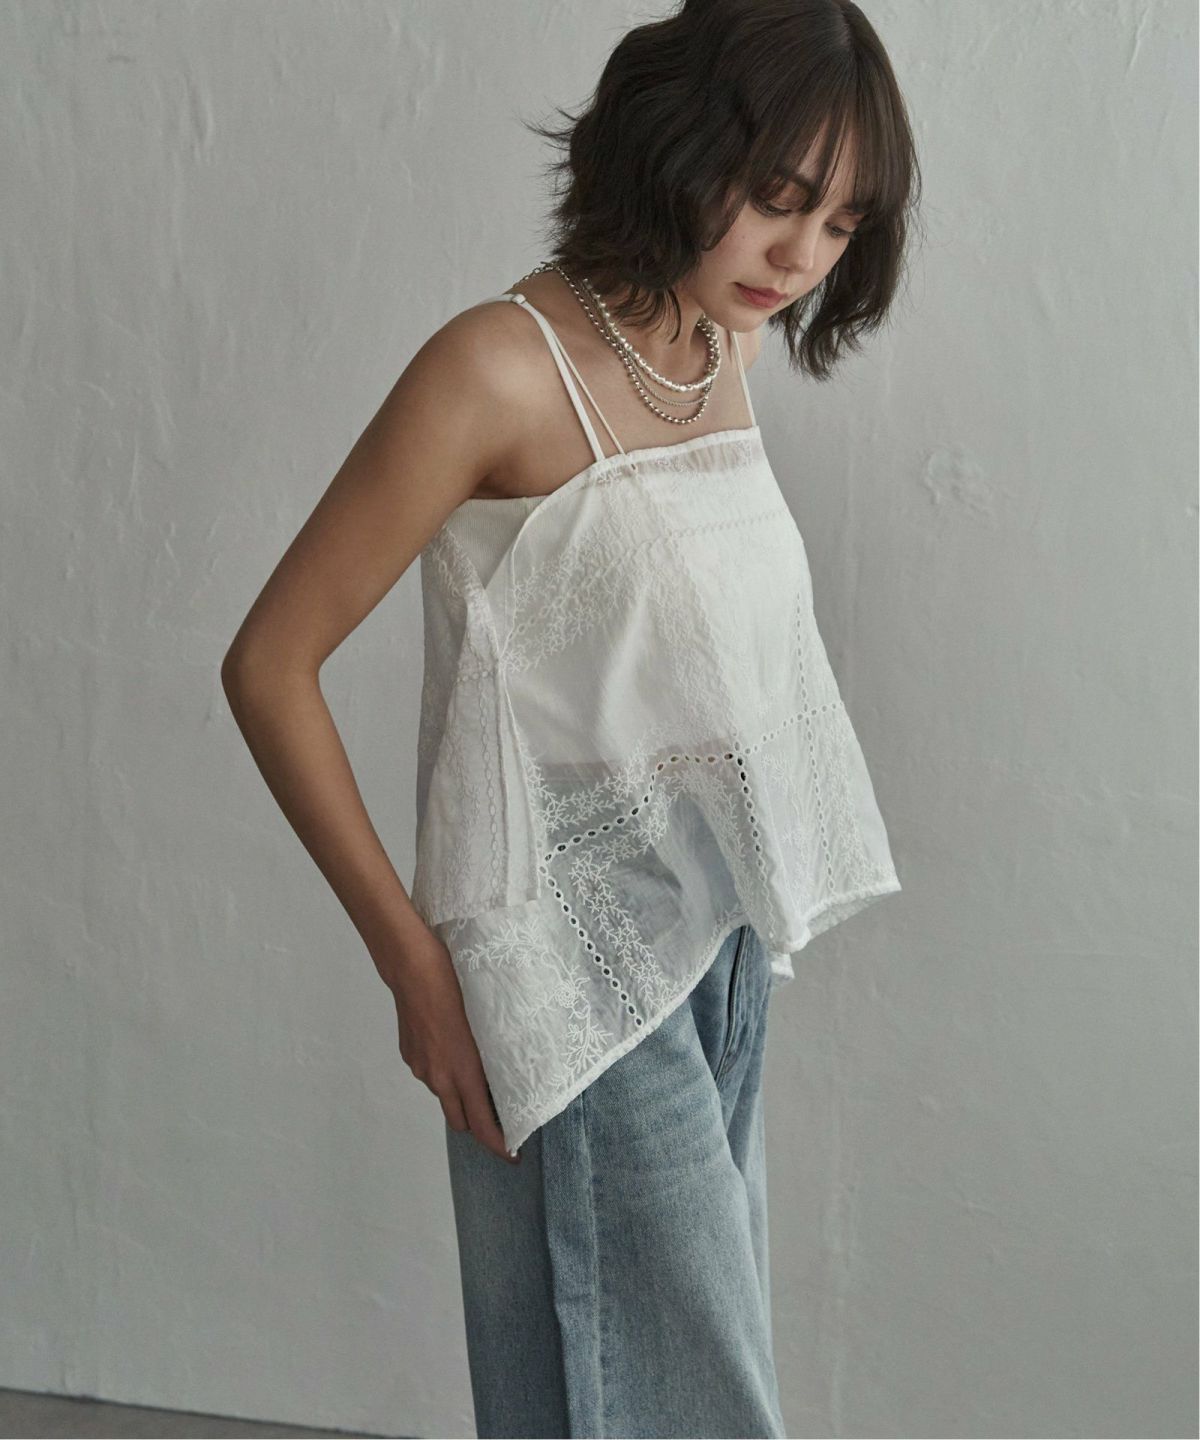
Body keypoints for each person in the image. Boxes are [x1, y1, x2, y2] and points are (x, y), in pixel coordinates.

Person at [221, 0, 920, 1434]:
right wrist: (415, 969)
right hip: (560, 961)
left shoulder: (717, 346)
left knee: (604, 1393)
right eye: (776, 198)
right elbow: (269, 665)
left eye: (841, 224)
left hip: (715, 944)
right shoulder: (495, 369)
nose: (800, 257)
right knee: (689, 1402)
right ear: (676, 146)